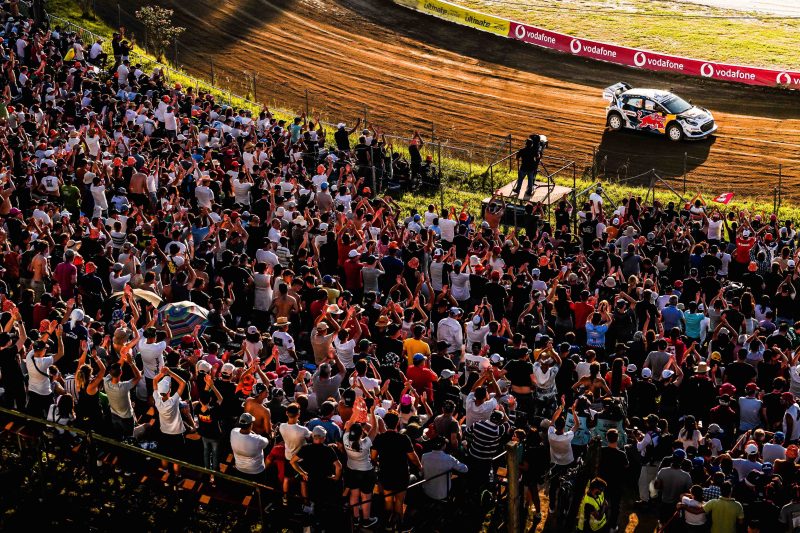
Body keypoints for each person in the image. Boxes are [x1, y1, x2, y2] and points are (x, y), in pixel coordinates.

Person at [371, 411, 421, 530]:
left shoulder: (380, 438)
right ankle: (400, 525)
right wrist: (420, 466)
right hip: (401, 474)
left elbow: (373, 457)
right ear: (397, 422)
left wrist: (379, 464)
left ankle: (389, 525)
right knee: (399, 501)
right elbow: (413, 457)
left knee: (388, 500)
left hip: (386, 473)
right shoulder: (404, 438)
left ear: (385, 423)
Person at [230, 412, 270, 483]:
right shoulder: (258, 439)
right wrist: (254, 434)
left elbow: (239, 430)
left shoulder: (233, 432)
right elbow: (267, 442)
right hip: (256, 472)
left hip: (240, 469)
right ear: (251, 425)